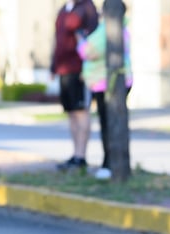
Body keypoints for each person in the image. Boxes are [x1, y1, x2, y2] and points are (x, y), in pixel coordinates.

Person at [77, 8, 133, 180]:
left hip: (106, 83)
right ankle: (112, 163)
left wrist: (80, 40)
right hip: (114, 81)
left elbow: (88, 51)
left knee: (108, 125)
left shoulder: (105, 30)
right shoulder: (123, 29)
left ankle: (109, 164)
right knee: (112, 124)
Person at [50, 0, 99, 172]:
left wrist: (88, 68)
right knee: (71, 113)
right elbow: (58, 40)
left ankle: (81, 156)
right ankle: (75, 154)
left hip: (80, 70)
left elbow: (93, 39)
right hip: (64, 69)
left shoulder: (87, 7)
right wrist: (53, 66)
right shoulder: (64, 9)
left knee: (81, 111)